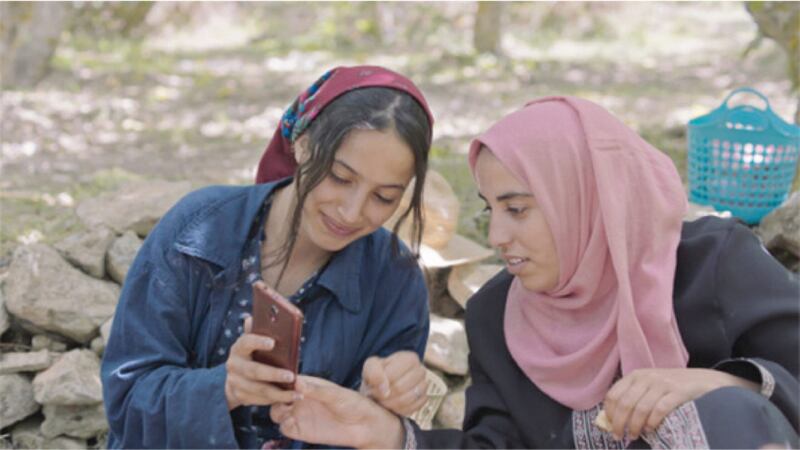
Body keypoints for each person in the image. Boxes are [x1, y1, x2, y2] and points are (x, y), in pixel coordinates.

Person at [268, 96, 800, 449]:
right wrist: (385, 434)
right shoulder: (498, 313)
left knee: (729, 411)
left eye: (518, 209)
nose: (497, 236)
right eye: (490, 209)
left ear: (585, 199)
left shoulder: (713, 263)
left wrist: (719, 383)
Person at [101, 65, 436, 449]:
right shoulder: (197, 231)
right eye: (340, 177)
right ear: (303, 143)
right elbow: (126, 401)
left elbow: (381, 431)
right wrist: (224, 387)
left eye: (384, 198)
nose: (352, 211)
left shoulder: (394, 279)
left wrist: (388, 401)